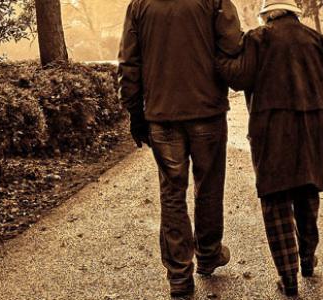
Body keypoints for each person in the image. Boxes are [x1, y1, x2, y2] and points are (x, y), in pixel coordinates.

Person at [218, 0, 323, 295]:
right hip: (312, 129)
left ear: (267, 14)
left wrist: (215, 51)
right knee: (306, 191)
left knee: (276, 199)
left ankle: (289, 279)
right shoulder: (318, 41)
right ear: (294, 12)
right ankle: (307, 260)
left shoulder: (258, 39)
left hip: (270, 131)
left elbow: (238, 78)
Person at [117, 0, 243, 297]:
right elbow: (233, 46)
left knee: (172, 194)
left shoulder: (139, 6)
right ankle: (209, 254)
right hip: (207, 111)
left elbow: (129, 63)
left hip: (162, 116)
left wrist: (136, 114)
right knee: (209, 186)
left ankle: (179, 277)